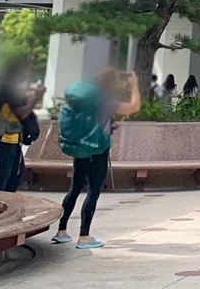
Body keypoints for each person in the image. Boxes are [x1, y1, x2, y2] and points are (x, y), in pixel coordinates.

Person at [53, 69, 140, 249]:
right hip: (97, 151)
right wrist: (134, 84)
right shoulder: (106, 101)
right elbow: (133, 106)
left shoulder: (84, 98)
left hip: (80, 148)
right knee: (93, 191)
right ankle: (84, 236)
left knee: (75, 188)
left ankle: (61, 231)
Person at [0, 63, 43, 192]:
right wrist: (36, 97)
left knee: (15, 175)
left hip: (12, 138)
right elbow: (22, 113)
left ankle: (6, 203)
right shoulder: (6, 90)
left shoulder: (7, 89)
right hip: (6, 139)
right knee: (4, 176)